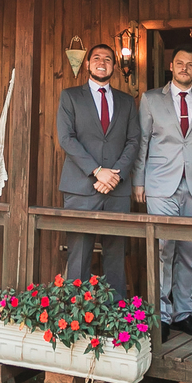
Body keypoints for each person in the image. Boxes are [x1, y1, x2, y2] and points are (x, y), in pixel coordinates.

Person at [132, 46, 192, 342]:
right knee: (163, 249)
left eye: (190, 64)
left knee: (190, 252)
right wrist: (138, 181)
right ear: (171, 66)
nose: (184, 67)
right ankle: (162, 315)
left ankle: (184, 314)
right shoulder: (152, 98)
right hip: (159, 184)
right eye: (180, 63)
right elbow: (142, 141)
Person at [57, 43, 141, 301]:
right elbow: (66, 138)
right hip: (81, 188)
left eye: (107, 59)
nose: (102, 62)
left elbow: (133, 141)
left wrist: (114, 176)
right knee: (79, 254)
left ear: (114, 66)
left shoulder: (127, 101)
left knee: (115, 254)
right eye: (96, 58)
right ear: (87, 64)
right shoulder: (70, 96)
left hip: (117, 189)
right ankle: (75, 312)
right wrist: (97, 171)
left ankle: (116, 315)